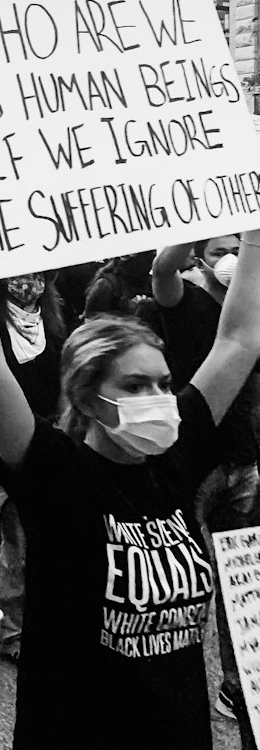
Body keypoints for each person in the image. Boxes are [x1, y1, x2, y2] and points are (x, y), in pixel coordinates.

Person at [0, 170, 260, 750]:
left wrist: (257, 227)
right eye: (134, 386)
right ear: (85, 398)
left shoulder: (174, 459)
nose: (159, 397)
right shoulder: (57, 473)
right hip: (78, 749)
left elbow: (238, 338)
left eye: (163, 382)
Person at [151, 233, 260, 723]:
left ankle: (234, 685)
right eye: (219, 252)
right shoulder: (185, 299)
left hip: (243, 465)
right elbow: (162, 273)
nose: (230, 260)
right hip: (194, 467)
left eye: (238, 249)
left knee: (240, 586)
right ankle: (170, 679)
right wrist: (191, 219)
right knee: (179, 582)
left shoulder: (251, 314)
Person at [0, 272, 65, 659]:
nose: (28, 283)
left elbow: (61, 385)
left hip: (33, 457)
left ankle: (11, 632)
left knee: (20, 551)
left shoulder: (55, 326)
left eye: (36, 277)